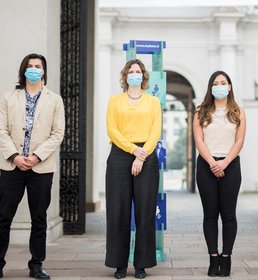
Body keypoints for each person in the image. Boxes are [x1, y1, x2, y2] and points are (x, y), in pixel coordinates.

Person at [0, 53, 65, 280]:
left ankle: (36, 265)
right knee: (3, 217)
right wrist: (14, 156)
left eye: (38, 66)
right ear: (23, 70)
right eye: (30, 66)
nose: (34, 69)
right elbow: (1, 129)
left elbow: (57, 133)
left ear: (44, 71)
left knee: (39, 218)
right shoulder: (9, 97)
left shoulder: (54, 100)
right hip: (12, 166)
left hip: (41, 168)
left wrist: (37, 156)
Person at [105, 59, 162, 279]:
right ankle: (119, 264)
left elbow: (155, 131)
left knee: (145, 211)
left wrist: (142, 154)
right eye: (131, 71)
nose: (134, 74)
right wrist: (133, 151)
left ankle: (141, 264)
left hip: (146, 155)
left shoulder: (153, 102)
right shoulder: (114, 101)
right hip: (120, 155)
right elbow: (112, 130)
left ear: (144, 76)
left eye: (138, 71)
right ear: (125, 75)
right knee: (118, 211)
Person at [193, 71, 246, 277]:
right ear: (210, 87)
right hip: (206, 164)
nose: (220, 86)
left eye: (223, 83)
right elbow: (199, 140)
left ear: (230, 87)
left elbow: (239, 141)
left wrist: (224, 162)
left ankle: (226, 258)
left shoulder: (239, 111)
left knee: (229, 215)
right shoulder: (200, 112)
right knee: (210, 215)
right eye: (215, 83)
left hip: (230, 164)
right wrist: (213, 163)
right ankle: (213, 258)